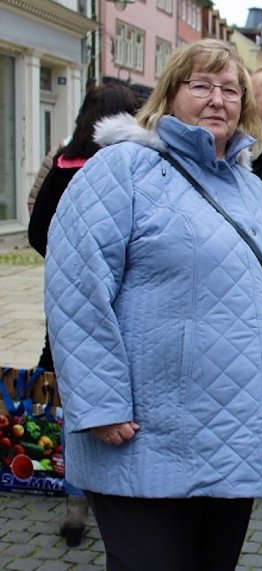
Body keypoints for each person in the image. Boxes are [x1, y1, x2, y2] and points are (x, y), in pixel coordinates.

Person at [44, 39, 262, 570]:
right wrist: (98, 402)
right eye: (200, 85)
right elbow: (77, 290)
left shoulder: (258, 193)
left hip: (233, 430)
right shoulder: (121, 170)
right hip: (145, 433)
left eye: (230, 89)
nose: (216, 100)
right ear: (169, 93)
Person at [27, 82, 140, 548]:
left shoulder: (61, 164)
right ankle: (120, 502)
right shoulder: (131, 165)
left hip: (70, 305)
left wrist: (65, 264)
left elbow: (37, 231)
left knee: (78, 399)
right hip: (126, 308)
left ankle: (76, 508)